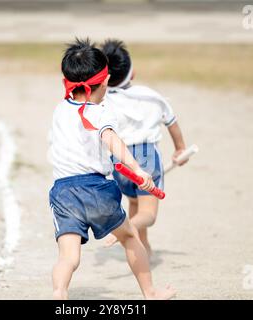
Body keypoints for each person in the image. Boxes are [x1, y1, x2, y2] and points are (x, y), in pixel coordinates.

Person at [49, 38, 176, 300]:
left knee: (69, 256)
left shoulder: (60, 110)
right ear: (105, 82)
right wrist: (138, 170)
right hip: (96, 189)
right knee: (130, 237)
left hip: (62, 192)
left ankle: (59, 292)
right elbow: (112, 140)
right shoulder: (101, 111)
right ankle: (150, 293)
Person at [101, 39, 188, 256]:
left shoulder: (104, 101)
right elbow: (172, 122)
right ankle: (123, 228)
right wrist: (180, 148)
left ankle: (143, 248)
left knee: (134, 201)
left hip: (120, 161)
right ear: (133, 73)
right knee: (148, 214)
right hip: (146, 155)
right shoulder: (150, 96)